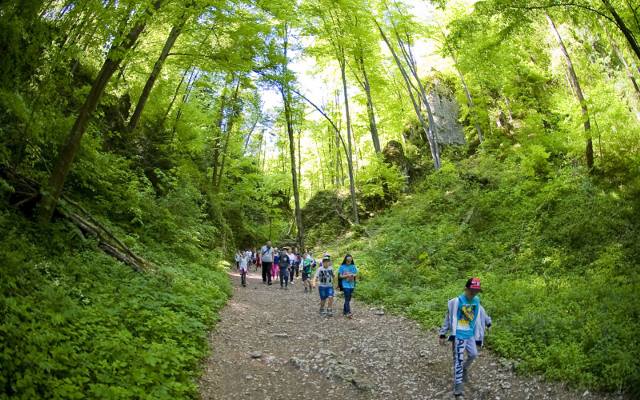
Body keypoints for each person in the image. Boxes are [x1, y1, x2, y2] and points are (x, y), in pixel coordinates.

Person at [438, 277, 492, 399]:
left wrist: (488, 322)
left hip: (470, 334)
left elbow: (482, 312)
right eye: (471, 291)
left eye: (476, 291)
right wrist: (442, 333)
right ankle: (458, 391)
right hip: (459, 335)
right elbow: (448, 317)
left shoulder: (476, 300)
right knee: (458, 360)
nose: (473, 294)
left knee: (473, 354)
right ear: (466, 289)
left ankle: (464, 369)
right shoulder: (456, 301)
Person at [338, 254, 357, 318]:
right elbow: (340, 276)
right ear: (345, 260)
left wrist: (352, 275)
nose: (349, 262)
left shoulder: (353, 266)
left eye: (350, 261)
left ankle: (344, 311)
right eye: (348, 261)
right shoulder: (342, 267)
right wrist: (346, 276)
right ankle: (348, 312)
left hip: (351, 284)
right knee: (347, 298)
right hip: (345, 285)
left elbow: (355, 274)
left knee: (348, 299)